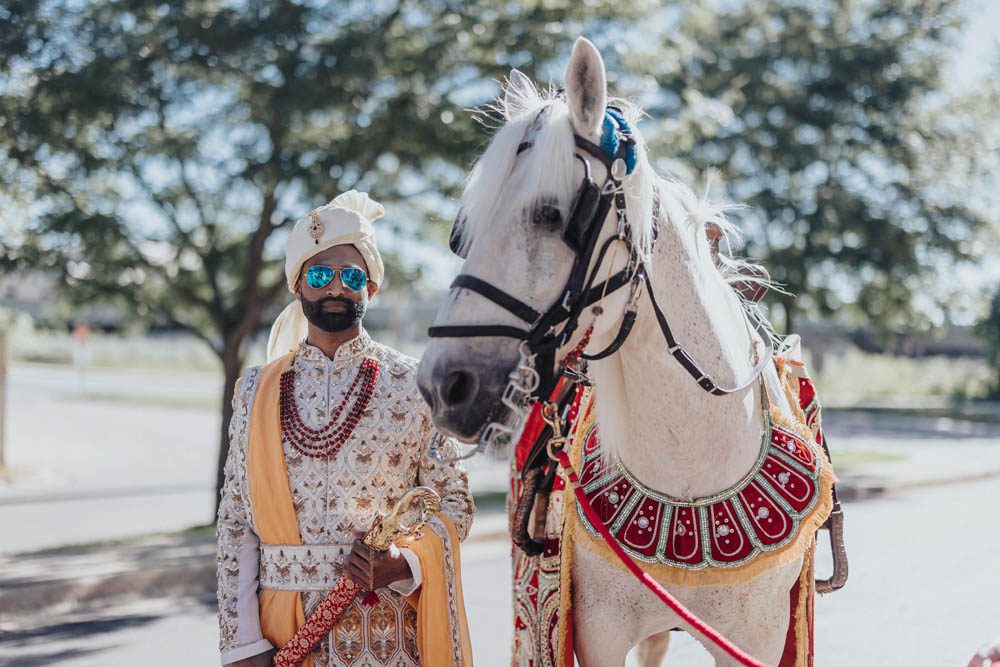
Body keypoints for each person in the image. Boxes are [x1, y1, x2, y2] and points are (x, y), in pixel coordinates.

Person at [217, 190, 475, 667]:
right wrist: (241, 642)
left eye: (351, 276)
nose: (335, 288)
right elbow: (237, 521)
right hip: (285, 636)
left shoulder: (415, 385)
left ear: (370, 289)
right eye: (319, 275)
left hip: (388, 635)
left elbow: (453, 503)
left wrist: (405, 564)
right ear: (298, 285)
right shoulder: (255, 390)